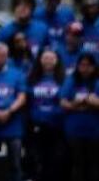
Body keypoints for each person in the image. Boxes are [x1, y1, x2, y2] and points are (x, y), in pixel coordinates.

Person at [60, 53, 99, 181]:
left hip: (95, 131)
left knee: (93, 164)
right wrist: (86, 103)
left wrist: (84, 101)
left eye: (88, 65)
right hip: (74, 130)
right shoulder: (70, 81)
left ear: (93, 67)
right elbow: (63, 103)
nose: (85, 68)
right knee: (77, 164)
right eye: (82, 65)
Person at [0, 43, 27, 181]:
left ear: (7, 57)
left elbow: (22, 96)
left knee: (15, 163)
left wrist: (9, 111)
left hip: (13, 126)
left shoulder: (17, 74)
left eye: (2, 56)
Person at [27, 48, 66, 181]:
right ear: (40, 60)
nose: (48, 61)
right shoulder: (32, 78)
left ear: (56, 61)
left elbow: (64, 102)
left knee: (55, 161)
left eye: (51, 58)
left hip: (57, 127)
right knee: (37, 161)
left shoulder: (63, 80)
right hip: (36, 126)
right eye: (45, 58)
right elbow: (28, 101)